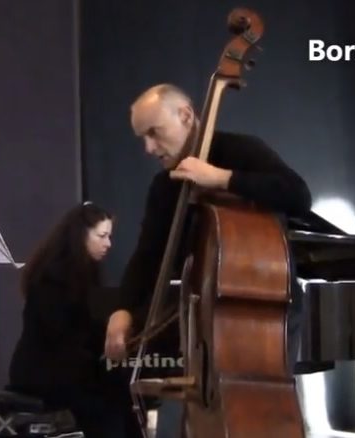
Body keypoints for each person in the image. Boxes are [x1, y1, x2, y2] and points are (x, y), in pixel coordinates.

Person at [103, 83, 314, 436]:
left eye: (154, 132)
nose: (149, 148)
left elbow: (298, 195)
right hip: (202, 314)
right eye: (142, 138)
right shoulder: (164, 186)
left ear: (186, 116)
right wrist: (122, 309)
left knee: (260, 408)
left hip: (264, 307)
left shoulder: (240, 151)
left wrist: (221, 178)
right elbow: (148, 255)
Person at [8, 202, 132, 437]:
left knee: (122, 392)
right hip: (41, 370)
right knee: (107, 400)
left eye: (109, 236)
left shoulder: (88, 272)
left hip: (69, 364)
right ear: (80, 235)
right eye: (102, 236)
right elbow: (63, 336)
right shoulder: (51, 277)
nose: (108, 243)